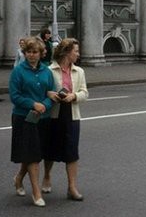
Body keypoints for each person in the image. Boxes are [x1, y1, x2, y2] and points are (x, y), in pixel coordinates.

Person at [10, 37, 55, 207]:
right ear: (24, 53)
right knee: (32, 155)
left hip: (43, 118)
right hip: (24, 118)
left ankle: (19, 178)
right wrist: (32, 104)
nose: (31, 55)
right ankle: (36, 193)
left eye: (35, 52)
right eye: (28, 52)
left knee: (35, 153)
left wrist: (45, 104)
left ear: (41, 53)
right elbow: (14, 96)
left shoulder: (46, 72)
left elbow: (51, 93)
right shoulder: (18, 72)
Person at [44, 38, 89, 202]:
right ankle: (47, 176)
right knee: (50, 149)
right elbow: (44, 90)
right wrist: (50, 94)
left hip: (72, 113)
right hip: (54, 113)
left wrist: (74, 96)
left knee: (71, 151)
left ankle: (72, 187)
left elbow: (85, 92)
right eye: (75, 51)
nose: (78, 54)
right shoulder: (50, 70)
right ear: (66, 52)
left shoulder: (79, 71)